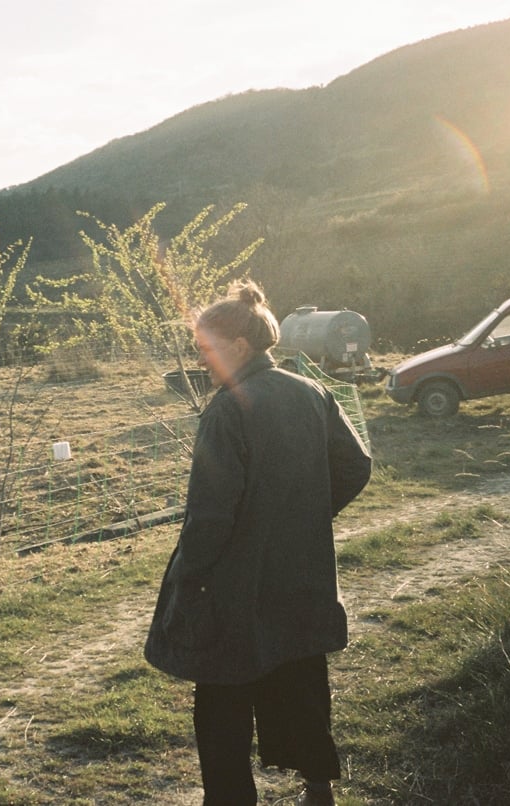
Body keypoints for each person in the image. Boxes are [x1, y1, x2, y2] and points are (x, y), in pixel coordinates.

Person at [144, 279, 372, 806]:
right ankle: (319, 790)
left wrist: (189, 576)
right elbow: (356, 466)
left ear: (239, 346)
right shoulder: (309, 391)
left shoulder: (227, 410)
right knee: (301, 679)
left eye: (206, 349)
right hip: (300, 574)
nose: (201, 360)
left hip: (234, 584)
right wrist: (302, 518)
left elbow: (210, 515)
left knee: (221, 699)